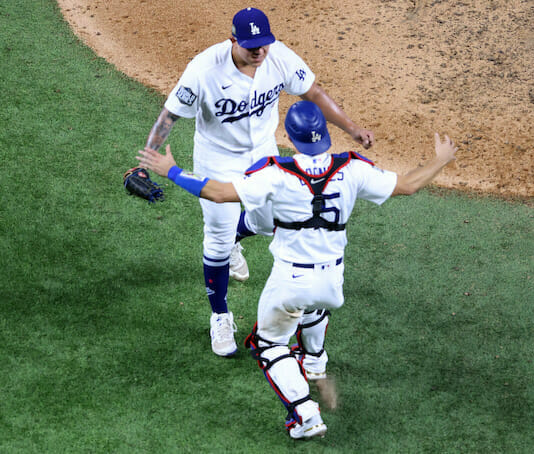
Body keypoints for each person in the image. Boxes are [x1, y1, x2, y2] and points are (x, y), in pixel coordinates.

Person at [136, 100, 458, 440]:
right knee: (312, 305)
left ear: (289, 136)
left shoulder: (274, 173)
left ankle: (306, 415)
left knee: (270, 344)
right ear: (325, 137)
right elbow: (408, 185)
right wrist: (440, 159)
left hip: (290, 281)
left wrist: (171, 170)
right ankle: (315, 364)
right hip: (332, 281)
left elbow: (217, 193)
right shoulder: (352, 168)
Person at [142, 7, 375, 357]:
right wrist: (148, 159)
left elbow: (313, 92)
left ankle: (237, 237)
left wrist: (353, 128)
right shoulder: (203, 69)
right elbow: (170, 115)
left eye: (264, 44)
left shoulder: (278, 57)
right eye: (251, 45)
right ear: (233, 39)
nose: (259, 51)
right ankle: (219, 315)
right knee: (217, 239)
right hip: (217, 158)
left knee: (272, 222)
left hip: (262, 154)